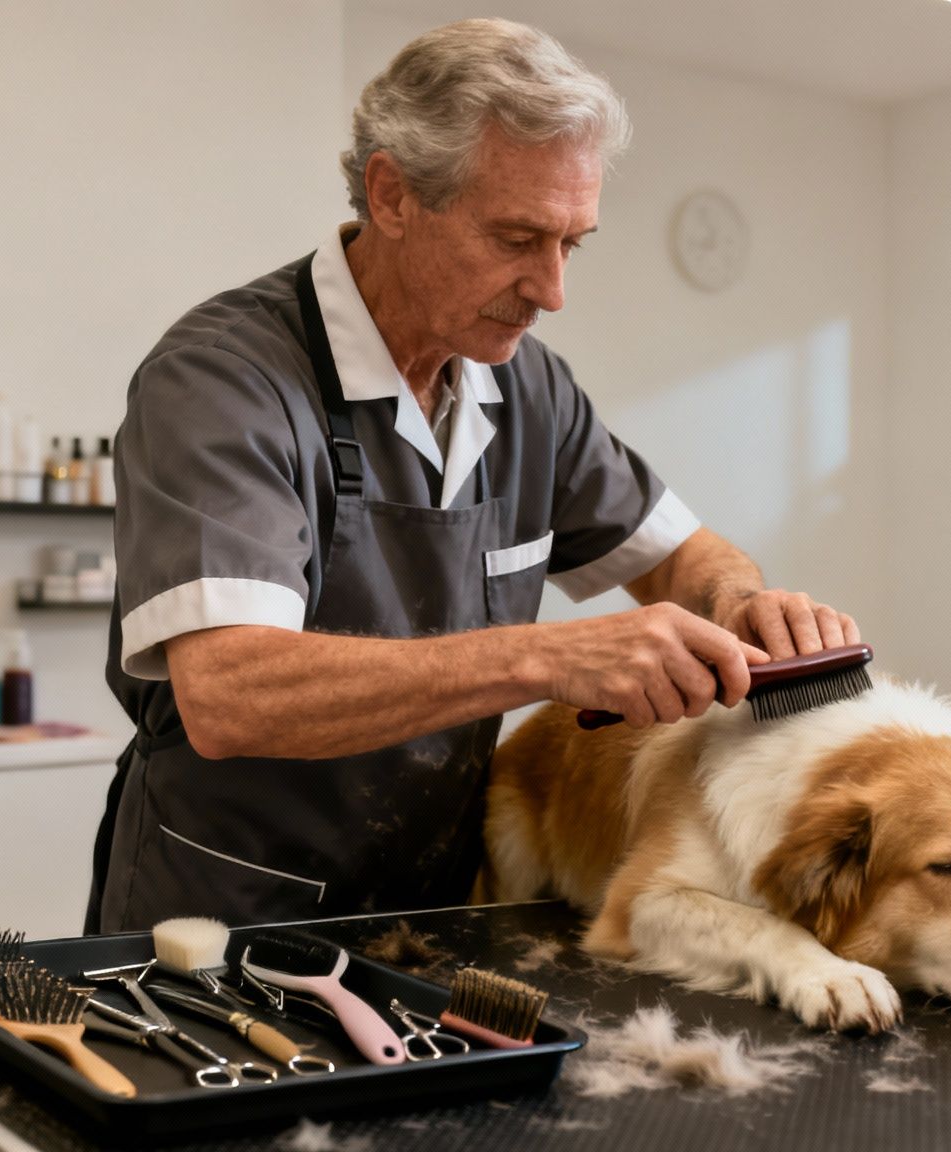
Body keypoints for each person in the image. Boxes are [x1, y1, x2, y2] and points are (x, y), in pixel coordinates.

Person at [88, 19, 860, 933]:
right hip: (222, 922)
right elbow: (229, 693)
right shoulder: (225, 380)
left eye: (573, 243)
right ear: (393, 194)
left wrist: (737, 605)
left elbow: (680, 555)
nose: (552, 288)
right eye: (517, 237)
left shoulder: (527, 388)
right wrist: (549, 657)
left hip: (438, 910)